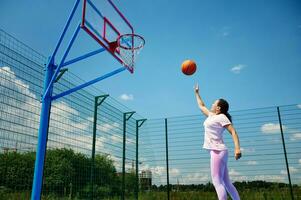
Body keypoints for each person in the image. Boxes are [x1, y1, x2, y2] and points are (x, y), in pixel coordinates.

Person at [194, 83, 241, 200]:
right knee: (226, 182)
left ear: (218, 108)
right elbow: (201, 106)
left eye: (214, 103)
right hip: (219, 152)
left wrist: (237, 148)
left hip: (218, 151)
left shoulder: (222, 117)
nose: (212, 104)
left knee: (217, 182)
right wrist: (197, 93)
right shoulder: (211, 116)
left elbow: (233, 132)